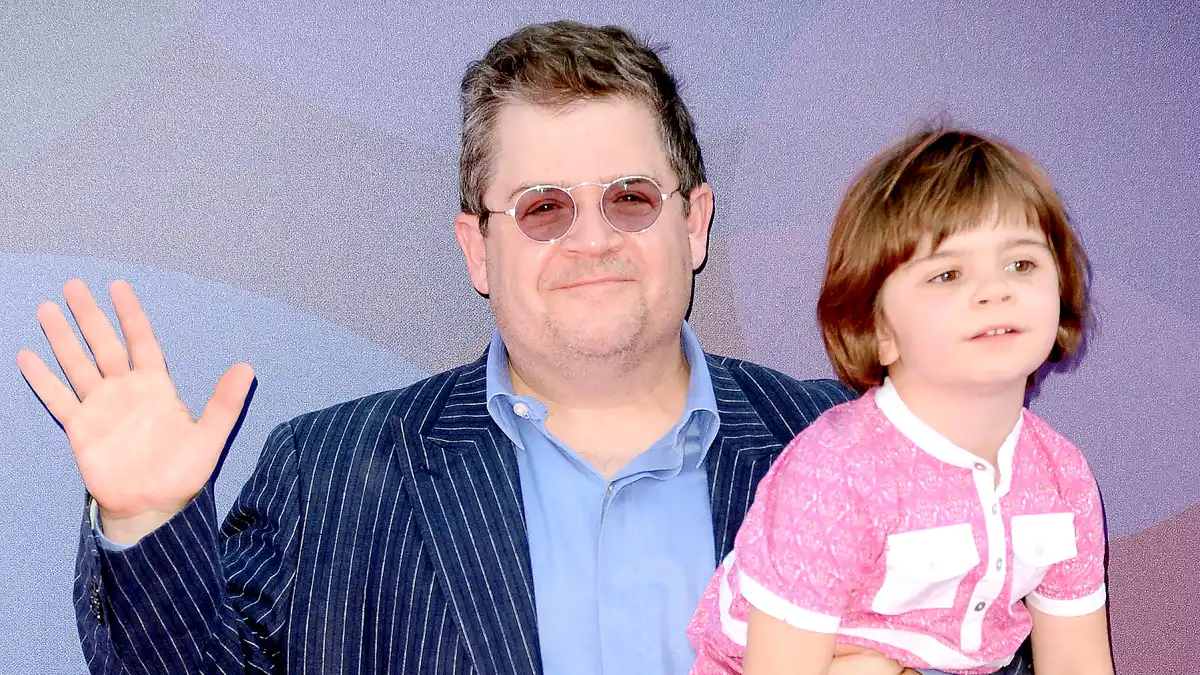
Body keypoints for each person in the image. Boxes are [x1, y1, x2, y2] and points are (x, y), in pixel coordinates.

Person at [14, 21, 928, 675]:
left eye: (630, 199)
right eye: (542, 207)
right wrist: (143, 523)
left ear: (693, 224)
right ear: (475, 247)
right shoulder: (326, 476)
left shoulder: (880, 448)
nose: (592, 240)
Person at [686, 128, 1114, 675]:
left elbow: (1078, 659)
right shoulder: (834, 473)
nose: (995, 290)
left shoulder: (1063, 478)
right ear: (878, 330)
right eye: (949, 273)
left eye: (1022, 264)